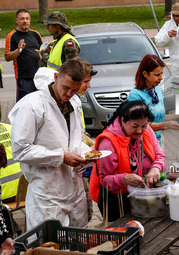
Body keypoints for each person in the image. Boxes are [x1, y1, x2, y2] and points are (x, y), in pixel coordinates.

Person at [9, 59, 94, 230]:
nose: (69, 93)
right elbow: (20, 150)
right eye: (66, 87)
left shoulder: (75, 102)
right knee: (50, 243)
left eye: (75, 90)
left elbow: (75, 139)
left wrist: (87, 153)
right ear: (56, 77)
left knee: (77, 240)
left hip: (74, 188)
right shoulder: (32, 105)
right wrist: (61, 157)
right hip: (47, 193)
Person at [89, 100, 166, 221]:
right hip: (118, 201)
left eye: (144, 126)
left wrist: (156, 168)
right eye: (135, 126)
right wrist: (124, 179)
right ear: (123, 121)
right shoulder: (108, 142)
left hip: (141, 197)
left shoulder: (147, 131)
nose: (140, 131)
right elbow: (105, 180)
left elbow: (160, 155)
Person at [127, 54, 179, 145]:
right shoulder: (135, 95)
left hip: (157, 142)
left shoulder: (157, 90)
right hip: (142, 145)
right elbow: (139, 126)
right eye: (157, 74)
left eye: (161, 74)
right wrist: (166, 125)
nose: (161, 78)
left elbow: (159, 118)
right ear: (145, 74)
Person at [5, 9, 43, 101]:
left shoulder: (35, 34)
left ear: (30, 20)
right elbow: (7, 57)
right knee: (25, 104)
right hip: (23, 77)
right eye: (22, 19)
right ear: (17, 20)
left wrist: (44, 52)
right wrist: (19, 50)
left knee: (39, 103)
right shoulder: (12, 36)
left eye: (27, 18)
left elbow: (43, 49)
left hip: (39, 76)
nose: (25, 21)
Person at [78, 60, 97, 222]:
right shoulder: (69, 103)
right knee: (84, 209)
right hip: (77, 167)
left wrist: (93, 144)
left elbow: (79, 134)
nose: (89, 86)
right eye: (86, 82)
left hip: (84, 163)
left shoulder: (77, 101)